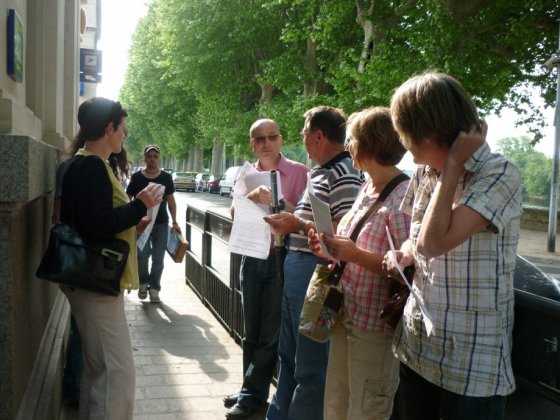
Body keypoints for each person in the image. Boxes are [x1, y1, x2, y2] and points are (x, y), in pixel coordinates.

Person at [383, 72, 522, 419]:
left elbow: (433, 243)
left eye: (404, 133)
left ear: (425, 133)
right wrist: (404, 253)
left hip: (471, 363)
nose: (403, 144)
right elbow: (417, 239)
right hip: (418, 346)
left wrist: (453, 166)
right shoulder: (423, 171)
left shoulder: (499, 173)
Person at [60, 97, 162, 419]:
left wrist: (131, 219)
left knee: (98, 369)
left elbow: (90, 219)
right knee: (117, 374)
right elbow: (96, 225)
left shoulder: (81, 163)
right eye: (122, 128)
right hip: (96, 284)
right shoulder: (92, 166)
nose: (124, 134)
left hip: (85, 281)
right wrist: (140, 205)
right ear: (109, 128)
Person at [307, 107, 410, 419]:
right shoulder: (367, 186)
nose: (348, 145)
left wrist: (354, 255)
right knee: (336, 405)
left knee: (366, 410)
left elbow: (408, 271)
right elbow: (352, 247)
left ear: (371, 143)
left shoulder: (403, 197)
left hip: (375, 328)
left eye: (353, 139)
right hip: (346, 314)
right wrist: (329, 249)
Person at [264, 106, 363, 420]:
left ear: (319, 136)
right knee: (290, 354)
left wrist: (296, 223)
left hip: (316, 272)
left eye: (305, 132)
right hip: (300, 269)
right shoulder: (321, 171)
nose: (302, 138)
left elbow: (344, 232)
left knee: (310, 361)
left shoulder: (344, 172)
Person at [224, 119, 308, 419]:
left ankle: (252, 394)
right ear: (252, 144)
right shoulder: (246, 173)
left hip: (281, 258)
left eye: (271, 137)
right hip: (251, 256)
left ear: (280, 139)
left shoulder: (299, 172)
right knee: (251, 330)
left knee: (271, 333)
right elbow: (234, 212)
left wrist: (278, 203)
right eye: (259, 139)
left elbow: (307, 217)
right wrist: (248, 199)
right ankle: (251, 387)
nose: (266, 143)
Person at [127, 145, 180, 303]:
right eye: (149, 156)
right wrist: (128, 219)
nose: (152, 159)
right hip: (141, 224)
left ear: (159, 158)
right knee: (142, 256)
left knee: (158, 258)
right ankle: (143, 282)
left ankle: (155, 288)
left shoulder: (166, 177)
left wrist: (175, 222)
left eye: (155, 156)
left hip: (161, 223)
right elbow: (128, 198)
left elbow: (171, 201)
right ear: (144, 158)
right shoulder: (137, 177)